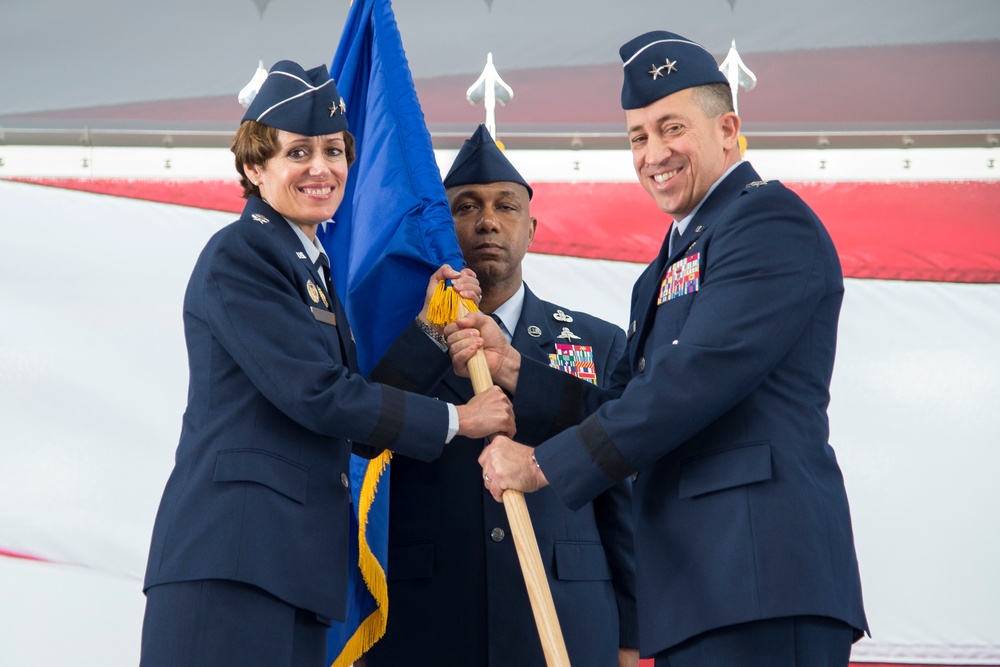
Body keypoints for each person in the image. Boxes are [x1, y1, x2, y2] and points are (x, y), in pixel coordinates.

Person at [452, 31, 869, 666]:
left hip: (760, 578)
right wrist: (513, 367)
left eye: (671, 127)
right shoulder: (665, 266)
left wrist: (542, 465)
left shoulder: (767, 223)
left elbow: (690, 384)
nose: (654, 153)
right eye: (638, 137)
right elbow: (627, 400)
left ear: (728, 129)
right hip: (693, 589)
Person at [138, 61, 514, 667]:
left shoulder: (306, 262)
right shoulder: (242, 255)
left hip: (288, 571)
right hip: (235, 568)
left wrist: (428, 329)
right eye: (299, 152)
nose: (322, 168)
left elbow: (348, 407)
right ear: (254, 167)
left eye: (334, 151)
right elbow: (319, 396)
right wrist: (460, 421)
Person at [364, 125, 639, 667]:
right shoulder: (401, 345)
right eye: (466, 207)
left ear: (532, 229)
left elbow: (622, 489)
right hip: (428, 622)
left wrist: (631, 633)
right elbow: (365, 436)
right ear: (442, 228)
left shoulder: (597, 343)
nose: (487, 220)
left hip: (566, 616)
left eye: (506, 206)